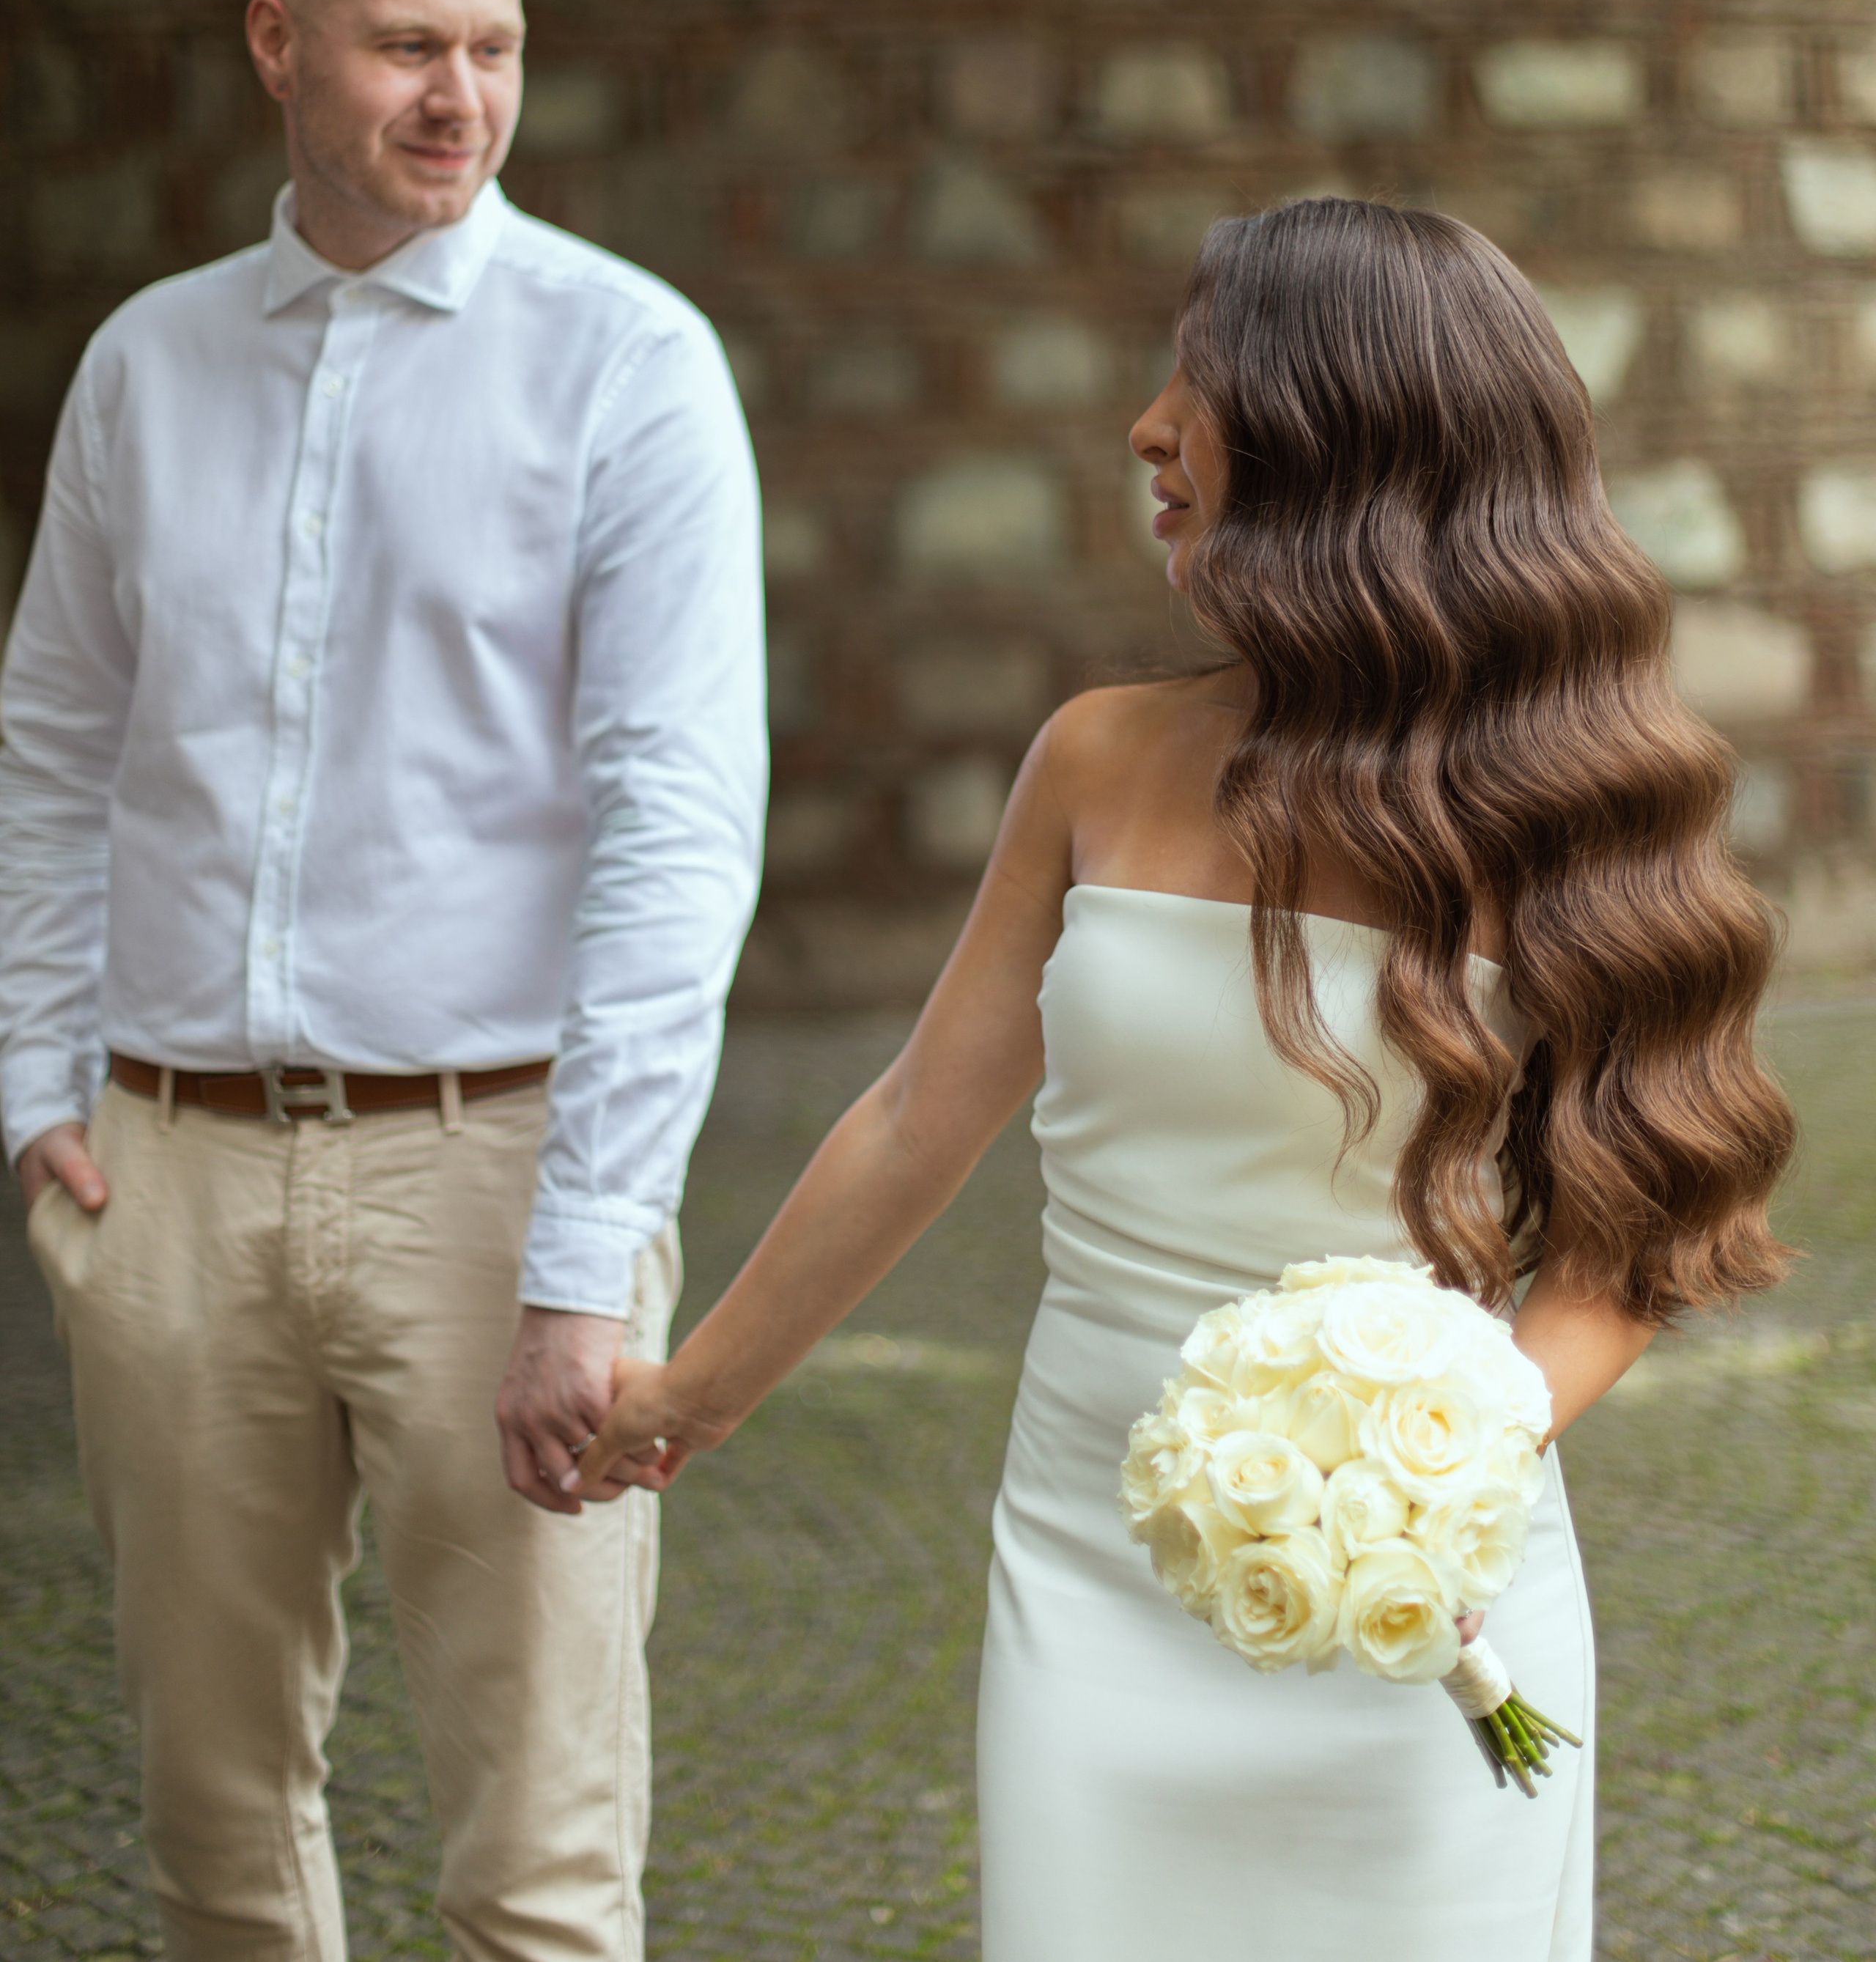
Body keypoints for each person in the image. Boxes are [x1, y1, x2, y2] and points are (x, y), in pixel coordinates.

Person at [576, 197, 1795, 1960]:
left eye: (1197, 381)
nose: (1146, 426)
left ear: (1336, 434)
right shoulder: (1096, 758)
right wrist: (691, 1394)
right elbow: (920, 1112)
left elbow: (1625, 1253)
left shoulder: (1571, 811)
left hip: (1417, 1591)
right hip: (1091, 1563)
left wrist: (1426, 1478)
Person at [0, 0, 766, 1962]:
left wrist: (585, 1253)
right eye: (408, 43)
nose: (462, 95)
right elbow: (53, 740)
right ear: (278, 41)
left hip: (492, 1170)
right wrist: (32, 1081)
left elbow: (675, 831)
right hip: (166, 1178)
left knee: (536, 1869)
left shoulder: (627, 364)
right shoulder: (146, 368)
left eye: (497, 44)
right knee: (211, 1843)